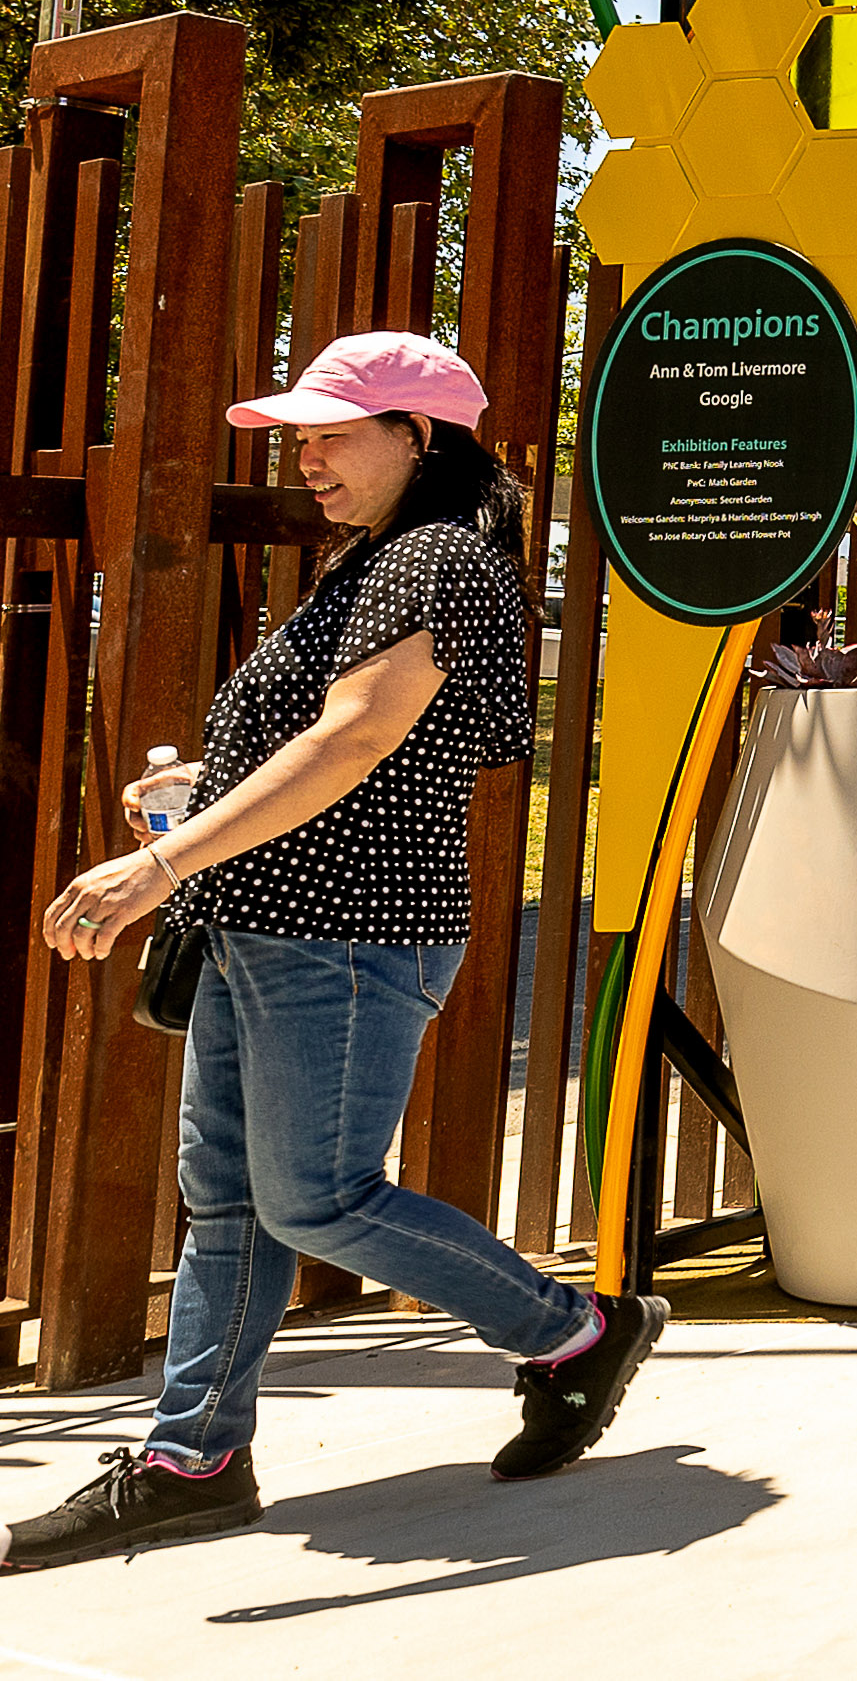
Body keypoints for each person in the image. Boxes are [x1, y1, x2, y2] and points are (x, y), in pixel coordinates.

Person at [5, 334, 667, 1574]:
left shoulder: (439, 563)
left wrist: (161, 862)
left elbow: (357, 744)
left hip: (349, 936)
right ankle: (192, 1458)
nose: (303, 458)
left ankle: (575, 1333)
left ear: (423, 440)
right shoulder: (372, 563)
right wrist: (202, 795)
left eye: (331, 434)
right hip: (268, 925)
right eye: (298, 436)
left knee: (318, 1198)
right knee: (233, 1203)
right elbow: (349, 752)